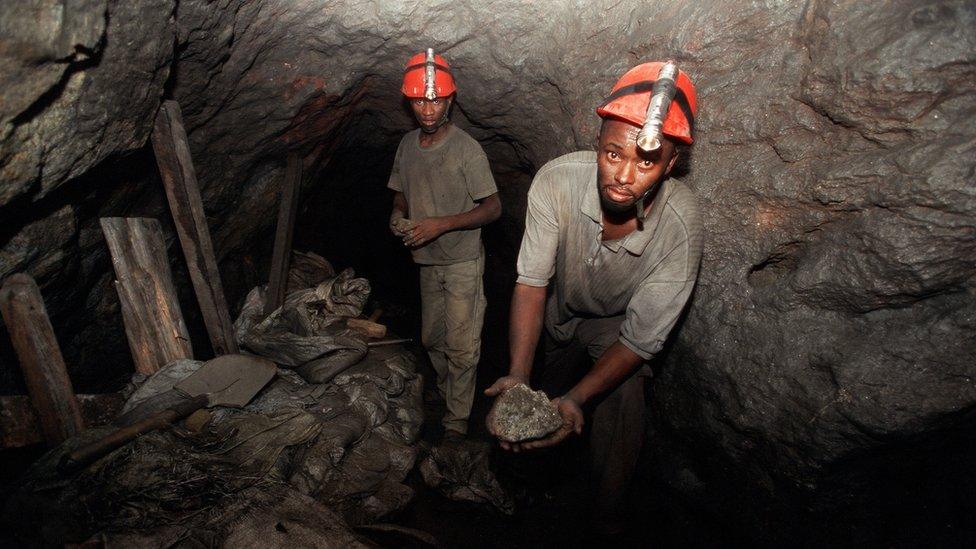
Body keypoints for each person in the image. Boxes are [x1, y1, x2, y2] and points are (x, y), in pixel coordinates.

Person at [485, 61, 703, 532]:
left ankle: (604, 518)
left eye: (646, 161)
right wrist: (518, 377)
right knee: (534, 393)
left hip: (616, 329)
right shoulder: (557, 181)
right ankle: (521, 490)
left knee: (624, 393)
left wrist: (578, 399)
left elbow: (641, 341)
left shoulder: (681, 228)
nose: (624, 175)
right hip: (559, 310)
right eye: (612, 154)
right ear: (597, 143)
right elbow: (530, 282)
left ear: (671, 164)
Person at [388, 49, 501, 440]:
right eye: (420, 99)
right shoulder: (406, 145)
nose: (429, 108)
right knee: (431, 340)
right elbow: (400, 192)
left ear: (450, 100)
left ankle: (456, 423)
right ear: (409, 102)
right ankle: (444, 393)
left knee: (462, 345)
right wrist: (397, 213)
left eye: (436, 99)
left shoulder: (467, 149)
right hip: (426, 260)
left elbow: (493, 208)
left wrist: (443, 225)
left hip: (462, 260)